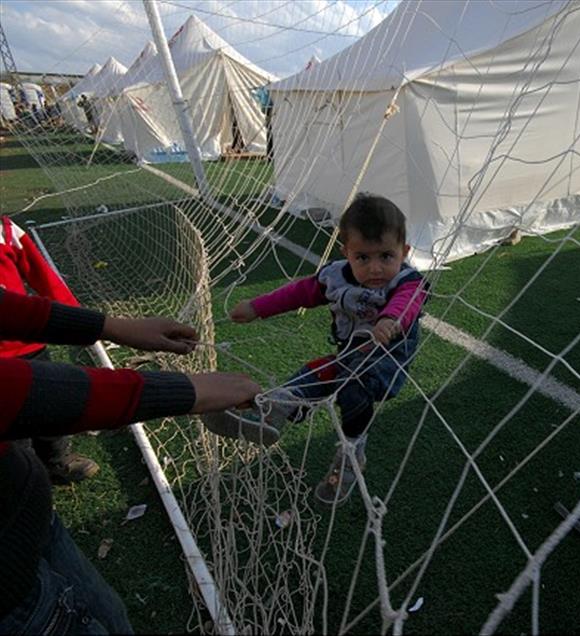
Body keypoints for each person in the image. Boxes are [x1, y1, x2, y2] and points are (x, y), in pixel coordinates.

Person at [0, 288, 261, 635]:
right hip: (9, 595)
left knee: (110, 616)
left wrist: (113, 327)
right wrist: (184, 391)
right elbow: (24, 393)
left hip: (25, 518)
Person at [205, 193, 428, 504]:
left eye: (386, 257)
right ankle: (272, 412)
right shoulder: (334, 276)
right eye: (363, 257)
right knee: (320, 373)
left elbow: (408, 303)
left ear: (404, 252)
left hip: (386, 361)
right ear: (346, 252)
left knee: (352, 388)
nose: (375, 268)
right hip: (351, 353)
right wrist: (257, 307)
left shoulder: (408, 281)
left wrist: (391, 320)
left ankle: (350, 456)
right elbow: (300, 293)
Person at [1, 215, 100, 483]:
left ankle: (56, 460)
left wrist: (77, 320)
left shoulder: (6, 231)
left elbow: (42, 276)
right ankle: (24, 476)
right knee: (12, 421)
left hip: (29, 343)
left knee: (50, 405)